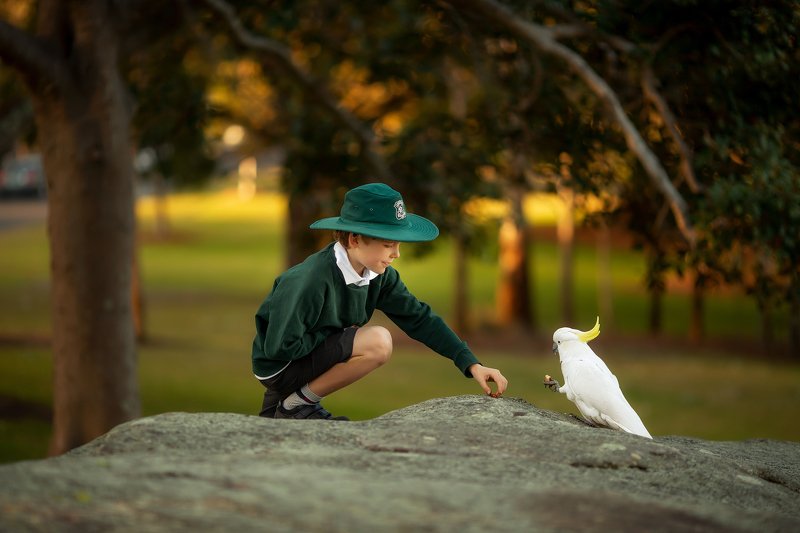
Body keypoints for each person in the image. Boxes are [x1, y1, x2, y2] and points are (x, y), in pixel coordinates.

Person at [252, 182, 508, 420]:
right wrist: (340, 334)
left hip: (305, 359)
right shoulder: (311, 280)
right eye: (388, 245)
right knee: (378, 342)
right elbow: (280, 347)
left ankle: (289, 405)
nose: (396, 254)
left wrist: (471, 363)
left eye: (398, 245)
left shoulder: (377, 276)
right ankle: (297, 405)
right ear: (354, 239)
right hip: (281, 366)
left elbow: (419, 318)